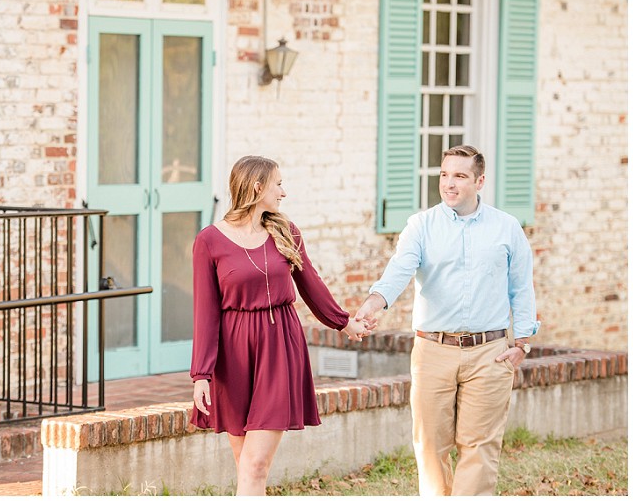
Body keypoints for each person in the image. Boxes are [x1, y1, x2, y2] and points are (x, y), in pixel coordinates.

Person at [355, 145, 538, 496]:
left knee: (479, 447)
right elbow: (398, 271)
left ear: (480, 181)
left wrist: (523, 342)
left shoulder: (507, 228)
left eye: (460, 176)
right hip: (432, 349)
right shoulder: (421, 226)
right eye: (444, 174)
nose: (449, 184)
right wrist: (372, 304)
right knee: (429, 446)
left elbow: (521, 287)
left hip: (490, 352)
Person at [190, 155, 372, 496]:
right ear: (258, 187)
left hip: (278, 345)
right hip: (234, 354)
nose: (283, 192)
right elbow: (205, 311)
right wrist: (202, 373)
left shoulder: (286, 232)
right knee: (244, 459)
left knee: (255, 464)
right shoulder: (209, 241)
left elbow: (311, 284)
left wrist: (344, 323)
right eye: (278, 184)